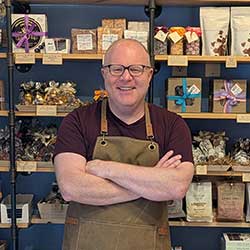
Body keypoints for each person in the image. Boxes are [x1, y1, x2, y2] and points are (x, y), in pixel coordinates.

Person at [53, 38, 194, 250]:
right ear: (104, 74)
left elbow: (176, 186)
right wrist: (152, 183)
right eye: (116, 69)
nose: (126, 77)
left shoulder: (172, 125)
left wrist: (105, 168)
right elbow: (71, 188)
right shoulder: (77, 121)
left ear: (149, 75)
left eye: (136, 69)